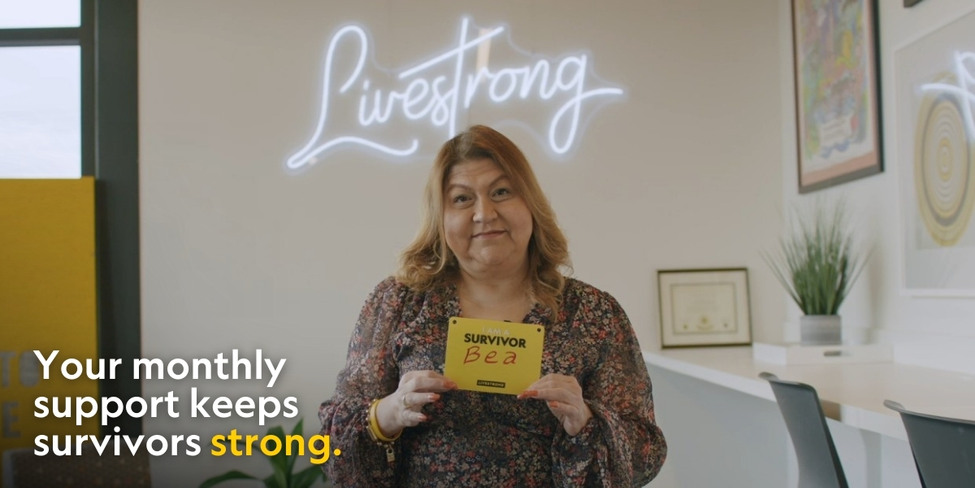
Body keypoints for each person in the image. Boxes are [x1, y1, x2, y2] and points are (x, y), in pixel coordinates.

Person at [319, 125, 666, 486]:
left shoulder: (595, 313)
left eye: (501, 192)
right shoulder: (397, 303)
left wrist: (586, 419)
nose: (484, 213)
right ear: (441, 218)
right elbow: (333, 445)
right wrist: (387, 414)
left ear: (530, 204)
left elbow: (646, 454)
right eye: (462, 199)